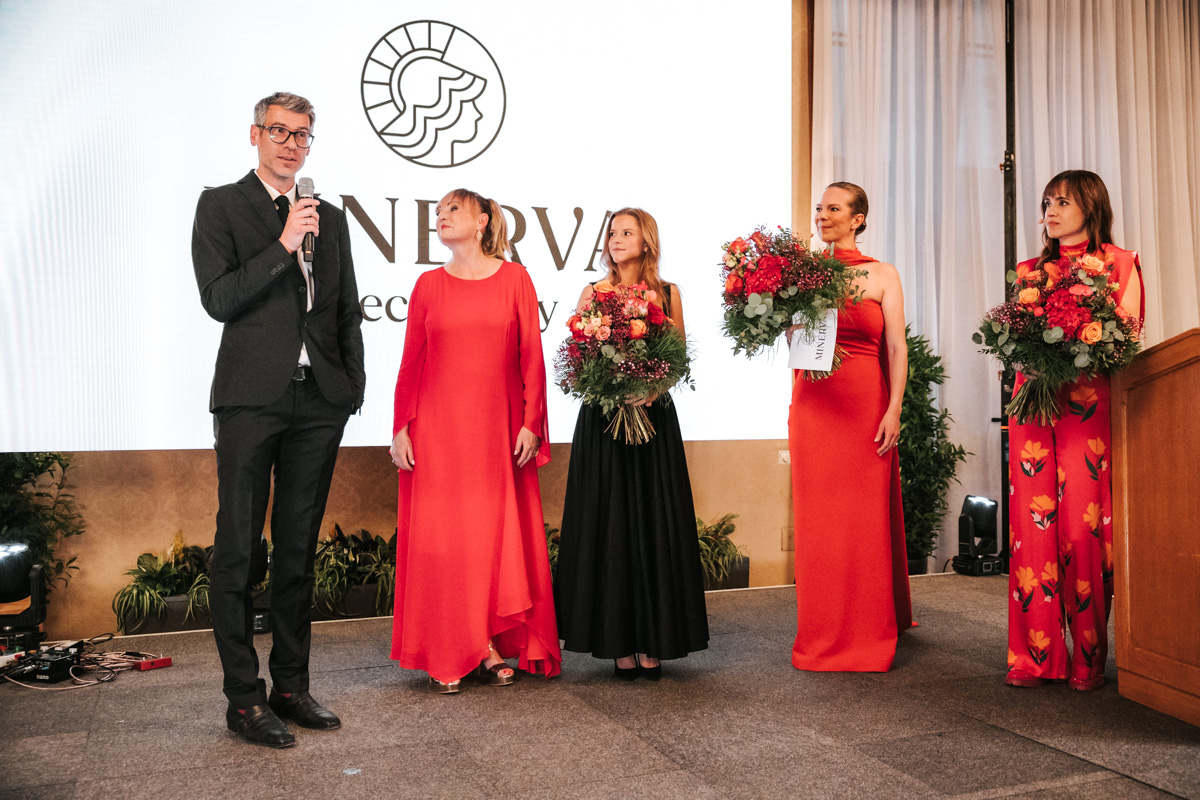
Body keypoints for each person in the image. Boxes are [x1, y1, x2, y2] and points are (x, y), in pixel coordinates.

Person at [192, 91, 365, 747]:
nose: (292, 144)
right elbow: (219, 298)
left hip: (318, 400)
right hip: (249, 399)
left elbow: (345, 308)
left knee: (297, 551)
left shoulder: (332, 218)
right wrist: (283, 242)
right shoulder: (221, 205)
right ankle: (244, 699)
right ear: (256, 135)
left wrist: (350, 386)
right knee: (240, 551)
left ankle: (290, 686)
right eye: (280, 131)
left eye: (302, 135)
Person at [389, 189, 561, 693]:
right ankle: (452, 648)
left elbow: (532, 355)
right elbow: (411, 361)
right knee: (446, 539)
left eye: (453, 209)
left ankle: (485, 646)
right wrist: (400, 427)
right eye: (438, 212)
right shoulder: (427, 284)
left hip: (497, 430)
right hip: (438, 431)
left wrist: (532, 421)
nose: (440, 217)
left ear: (483, 220)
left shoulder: (515, 278)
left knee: (489, 537)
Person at [554, 208, 709, 681]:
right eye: (612, 233)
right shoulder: (592, 292)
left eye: (627, 232)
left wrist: (653, 388)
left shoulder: (669, 293)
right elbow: (579, 358)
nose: (616, 239)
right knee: (610, 524)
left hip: (652, 419)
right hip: (603, 422)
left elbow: (677, 358)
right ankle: (617, 641)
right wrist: (606, 383)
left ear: (646, 242)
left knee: (652, 522)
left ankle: (653, 639)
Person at [1005, 170, 1144, 691]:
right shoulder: (1029, 271)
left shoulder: (1119, 263)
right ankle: (1034, 658)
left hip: (1088, 406)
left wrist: (1079, 338)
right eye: (1047, 202)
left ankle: (1087, 659)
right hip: (1034, 405)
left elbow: (1126, 340)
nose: (1051, 210)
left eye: (1063, 201)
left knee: (1082, 532)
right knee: (1032, 532)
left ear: (1092, 205)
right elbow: (1013, 338)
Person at [789, 182, 913, 672]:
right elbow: (797, 342)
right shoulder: (803, 273)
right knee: (819, 524)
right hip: (814, 404)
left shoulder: (882, 274)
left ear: (858, 218)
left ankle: (866, 631)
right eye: (819, 208)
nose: (823, 215)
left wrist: (894, 408)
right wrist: (788, 326)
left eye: (834, 208)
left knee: (862, 521)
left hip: (865, 404)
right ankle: (820, 631)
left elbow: (897, 348)